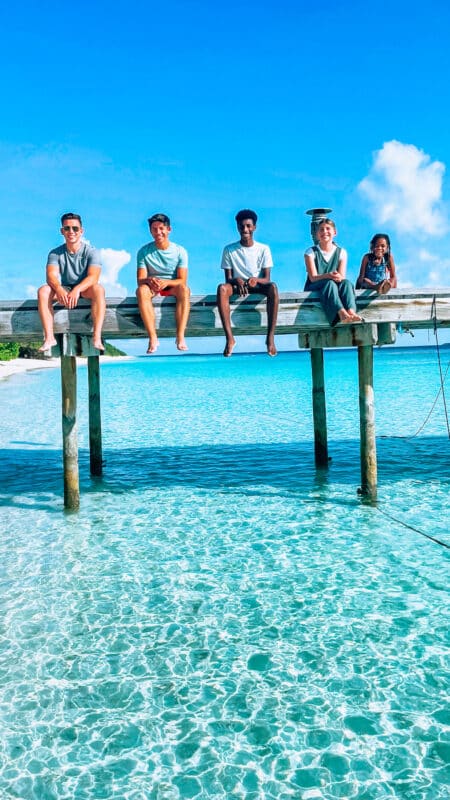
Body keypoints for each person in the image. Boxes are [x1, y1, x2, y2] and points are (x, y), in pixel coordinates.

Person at [38, 213, 106, 352]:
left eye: (75, 228)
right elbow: (51, 276)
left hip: (85, 289)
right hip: (65, 288)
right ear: (62, 231)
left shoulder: (92, 252)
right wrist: (59, 289)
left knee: (99, 289)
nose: (71, 232)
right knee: (43, 291)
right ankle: (49, 338)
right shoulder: (55, 253)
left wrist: (77, 290)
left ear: (81, 231)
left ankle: (97, 337)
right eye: (67, 228)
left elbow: (93, 277)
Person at [217, 209, 279, 357]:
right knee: (221, 289)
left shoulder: (264, 248)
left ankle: (270, 338)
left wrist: (255, 280)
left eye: (248, 226)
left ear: (254, 227)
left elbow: (267, 278)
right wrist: (236, 280)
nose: (245, 229)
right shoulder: (229, 249)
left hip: (256, 285)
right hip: (237, 287)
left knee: (273, 287)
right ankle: (230, 339)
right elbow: (228, 278)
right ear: (237, 227)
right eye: (241, 226)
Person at [136, 213, 190, 354]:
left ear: (168, 229)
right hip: (152, 288)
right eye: (154, 229)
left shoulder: (180, 251)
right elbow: (140, 280)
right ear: (150, 231)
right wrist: (149, 280)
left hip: (172, 287)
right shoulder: (143, 252)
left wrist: (166, 282)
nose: (158, 232)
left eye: (161, 228)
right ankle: (153, 338)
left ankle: (180, 336)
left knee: (184, 289)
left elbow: (182, 279)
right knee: (141, 290)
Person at [304, 218, 362, 325]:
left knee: (347, 283)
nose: (324, 232)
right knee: (329, 283)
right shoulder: (310, 252)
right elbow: (313, 278)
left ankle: (351, 312)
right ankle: (341, 313)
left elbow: (342, 277)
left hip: (333, 287)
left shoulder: (342, 252)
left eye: (328, 229)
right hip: (314, 287)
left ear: (334, 232)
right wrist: (329, 276)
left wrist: (336, 277)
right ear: (317, 235)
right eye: (321, 230)